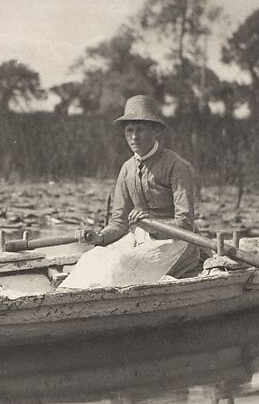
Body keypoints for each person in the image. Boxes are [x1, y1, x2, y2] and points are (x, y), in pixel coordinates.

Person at [58, 95, 202, 289]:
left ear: (156, 130)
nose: (134, 136)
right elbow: (119, 223)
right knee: (91, 258)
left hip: (176, 244)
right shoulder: (127, 169)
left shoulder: (176, 166)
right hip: (138, 240)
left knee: (119, 265)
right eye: (129, 130)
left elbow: (185, 225)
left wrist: (153, 226)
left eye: (141, 129)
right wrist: (99, 237)